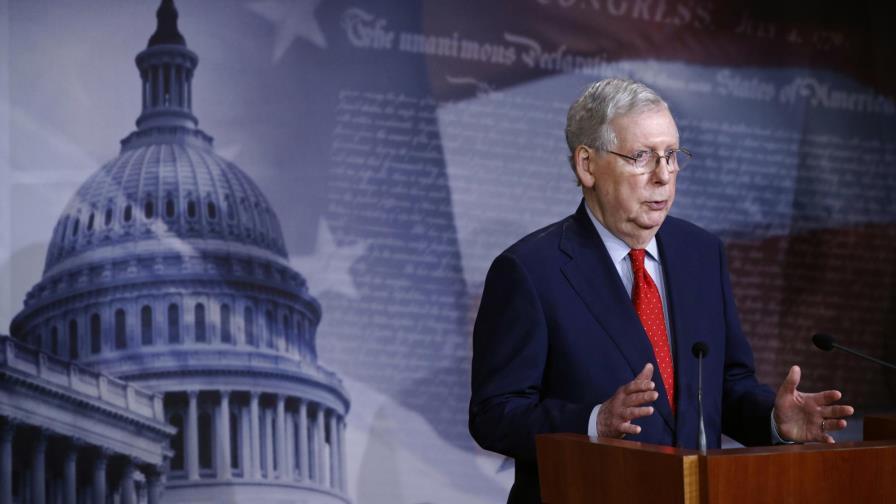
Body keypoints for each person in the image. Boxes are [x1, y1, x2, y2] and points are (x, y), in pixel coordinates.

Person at [468, 78, 855, 504]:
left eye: (671, 155)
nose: (664, 175)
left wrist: (774, 421)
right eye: (642, 157)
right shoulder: (529, 270)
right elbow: (494, 414)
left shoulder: (701, 254)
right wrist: (593, 422)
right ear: (587, 165)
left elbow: (725, 386)